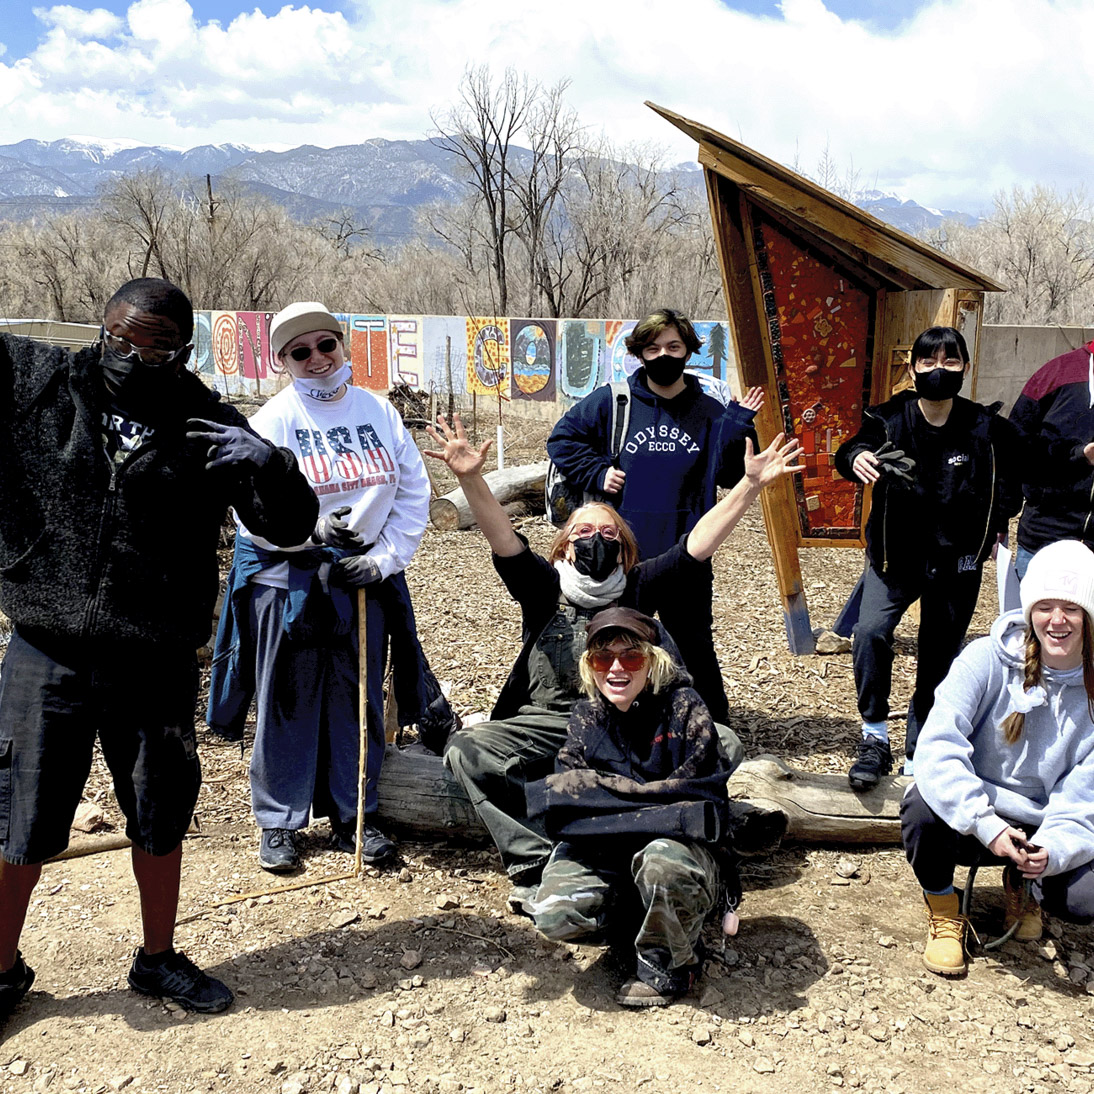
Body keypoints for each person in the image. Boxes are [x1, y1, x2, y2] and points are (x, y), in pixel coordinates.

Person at [0, 278, 318, 1021]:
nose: (135, 357)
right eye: (122, 339)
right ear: (101, 329)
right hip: (47, 647)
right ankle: (3, 968)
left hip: (154, 655)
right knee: (20, 816)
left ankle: (158, 958)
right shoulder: (37, 382)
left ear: (184, 349)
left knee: (159, 808)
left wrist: (268, 465)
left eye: (159, 347)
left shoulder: (205, 421)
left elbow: (290, 525)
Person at [426, 411, 800, 911]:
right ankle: (541, 858)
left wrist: (748, 487)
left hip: (628, 725)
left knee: (725, 741)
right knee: (468, 750)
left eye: (608, 535)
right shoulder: (542, 588)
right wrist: (470, 477)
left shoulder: (639, 585)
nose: (595, 540)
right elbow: (502, 537)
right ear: (562, 545)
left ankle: (640, 829)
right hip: (549, 722)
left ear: (624, 549)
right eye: (582, 532)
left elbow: (698, 543)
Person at [207, 301, 434, 873]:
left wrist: (383, 560)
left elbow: (411, 492)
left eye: (325, 345)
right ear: (283, 360)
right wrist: (307, 529)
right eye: (299, 352)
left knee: (355, 695)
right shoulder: (273, 422)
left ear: (342, 346)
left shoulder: (379, 412)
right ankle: (279, 821)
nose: (316, 359)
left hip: (361, 577)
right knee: (287, 696)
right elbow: (248, 511)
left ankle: (355, 812)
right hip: (289, 577)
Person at [545, 308, 762, 723]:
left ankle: (712, 726)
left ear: (688, 351)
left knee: (694, 647)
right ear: (640, 353)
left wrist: (736, 426)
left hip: (687, 553)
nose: (664, 355)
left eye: (674, 347)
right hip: (624, 560)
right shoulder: (615, 401)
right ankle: (616, 724)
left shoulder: (707, 409)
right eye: (653, 347)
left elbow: (731, 471)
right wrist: (598, 471)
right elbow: (562, 439)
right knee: (620, 649)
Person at [834, 326, 1022, 789]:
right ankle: (874, 734)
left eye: (951, 361)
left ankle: (922, 750)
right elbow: (849, 449)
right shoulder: (889, 418)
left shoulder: (986, 427)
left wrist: (995, 519)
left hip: (957, 563)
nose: (940, 370)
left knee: (939, 656)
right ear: (913, 368)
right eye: (930, 362)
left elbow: (1017, 480)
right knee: (870, 632)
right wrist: (856, 456)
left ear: (965, 369)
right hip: (894, 559)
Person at [901, 539, 1094, 976]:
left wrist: (1053, 850)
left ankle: (1024, 887)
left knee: (1086, 896)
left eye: (1073, 608)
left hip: (1043, 824)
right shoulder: (985, 659)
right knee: (921, 807)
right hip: (977, 817)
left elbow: (1086, 795)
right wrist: (988, 826)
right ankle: (945, 908)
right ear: (1029, 611)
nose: (1057, 620)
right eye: (1045, 607)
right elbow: (938, 747)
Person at [525, 606, 735, 1007]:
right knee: (554, 913)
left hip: (675, 854)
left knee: (662, 861)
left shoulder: (685, 707)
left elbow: (703, 799)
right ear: (589, 665)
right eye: (603, 657)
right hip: (609, 854)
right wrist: (663, 805)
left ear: (652, 660)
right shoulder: (585, 716)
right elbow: (564, 804)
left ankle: (671, 965)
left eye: (631, 656)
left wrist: (604, 795)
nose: (616, 668)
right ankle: (644, 921)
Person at [1008, 335, 1094, 578]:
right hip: (1046, 540)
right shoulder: (1057, 373)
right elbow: (1014, 448)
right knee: (1041, 617)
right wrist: (1080, 456)